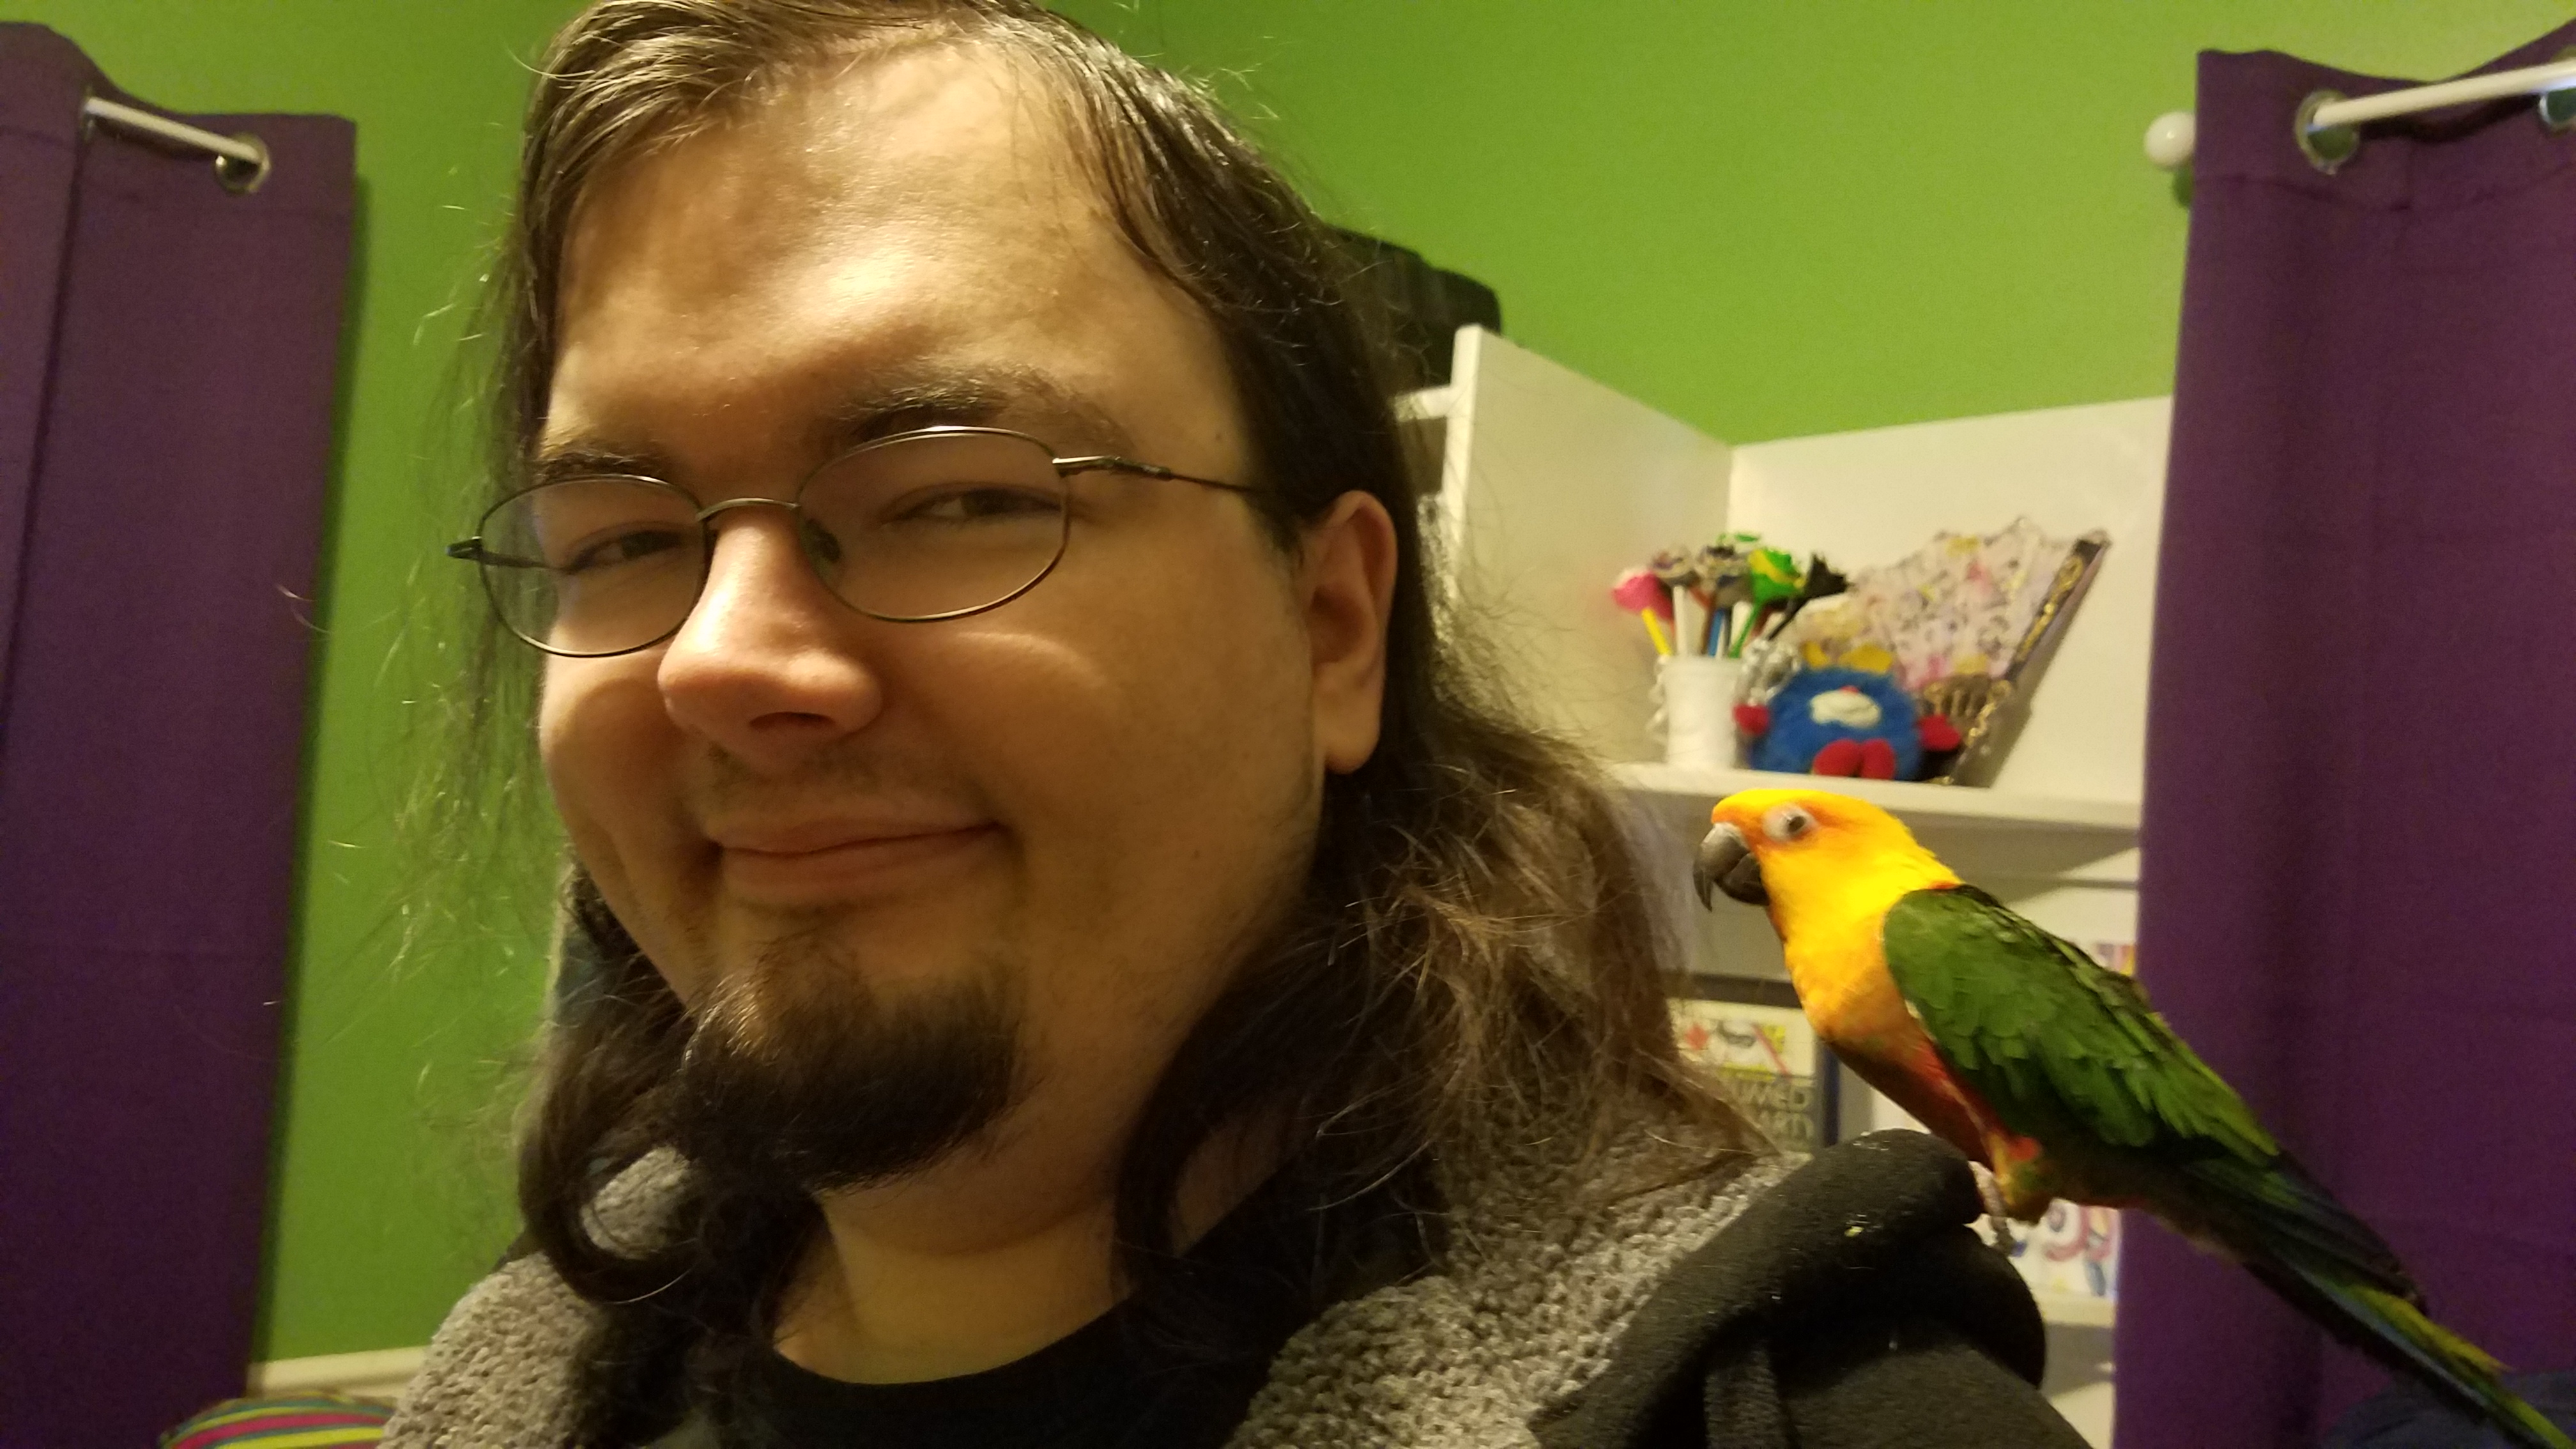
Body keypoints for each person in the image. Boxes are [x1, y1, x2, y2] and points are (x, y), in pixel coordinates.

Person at [387, 3, 2089, 1445]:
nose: (715, 659)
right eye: (616, 540)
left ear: (1331, 629)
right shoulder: (508, 1378)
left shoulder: (1809, 1411)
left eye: (959, 497)